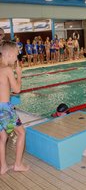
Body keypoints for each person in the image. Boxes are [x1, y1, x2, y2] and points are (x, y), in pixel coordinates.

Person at [0, 41, 29, 174]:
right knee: (21, 132)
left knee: (3, 138)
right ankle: (17, 164)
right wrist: (19, 74)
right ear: (9, 54)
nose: (16, 59)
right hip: (5, 109)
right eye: (16, 56)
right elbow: (17, 90)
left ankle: (3, 167)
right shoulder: (7, 70)